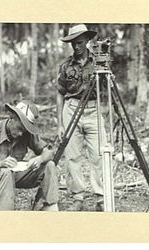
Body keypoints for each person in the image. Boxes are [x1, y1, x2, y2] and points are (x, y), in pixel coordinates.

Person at [56, 23, 108, 211]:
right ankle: (77, 197)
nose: (76, 47)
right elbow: (60, 93)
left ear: (86, 41)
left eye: (79, 43)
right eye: (73, 43)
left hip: (93, 110)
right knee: (72, 157)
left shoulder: (98, 62)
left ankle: (101, 197)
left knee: (99, 155)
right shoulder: (65, 66)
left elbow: (108, 89)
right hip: (71, 109)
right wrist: (60, 124)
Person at [0, 100, 59, 211]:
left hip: (15, 174)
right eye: (19, 129)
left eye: (23, 131)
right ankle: (6, 217)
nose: (20, 134)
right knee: (6, 172)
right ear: (12, 117)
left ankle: (50, 208)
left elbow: (49, 152)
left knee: (49, 165)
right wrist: (1, 164)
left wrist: (40, 158)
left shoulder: (26, 133)